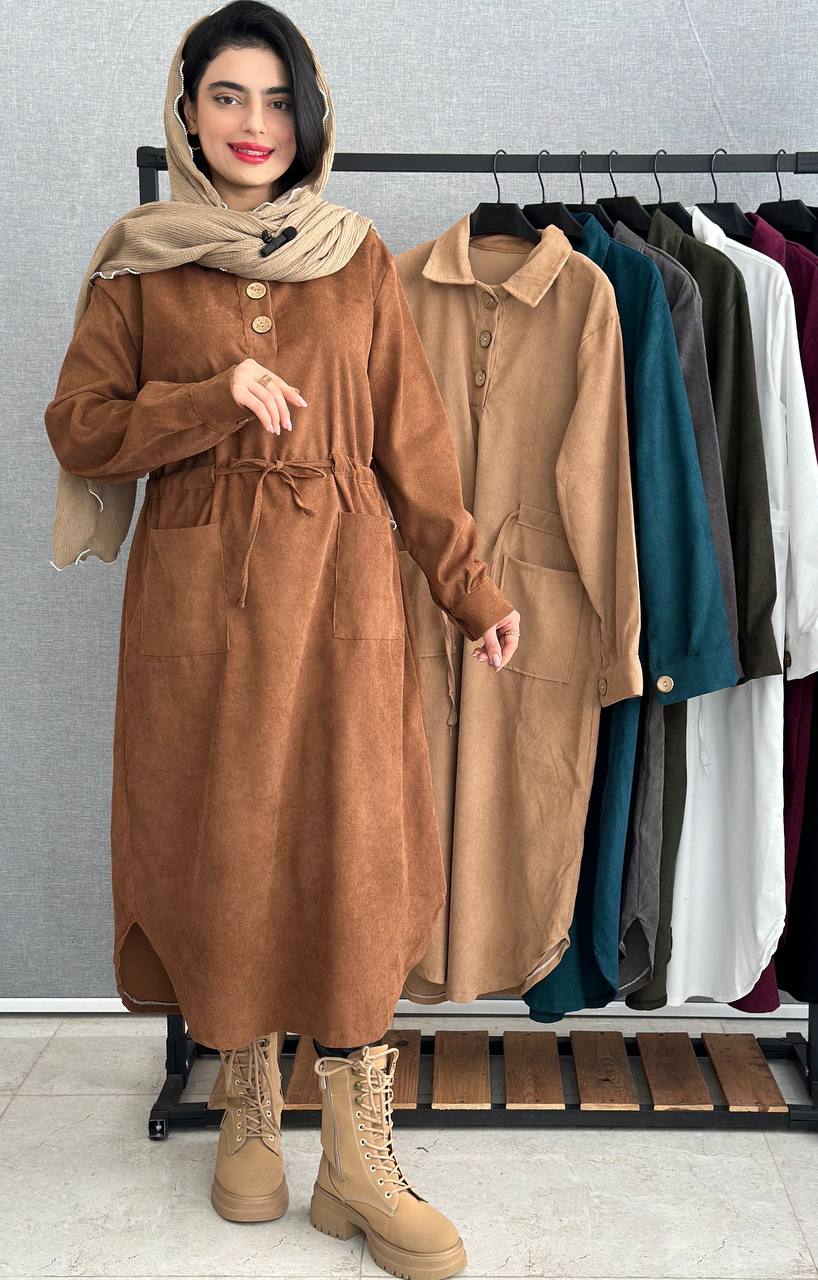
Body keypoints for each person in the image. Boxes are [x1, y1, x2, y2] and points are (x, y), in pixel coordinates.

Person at [43, 4, 520, 1277]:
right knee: (231, 837)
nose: (253, 125)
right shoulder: (139, 263)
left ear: (309, 119)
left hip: (346, 599)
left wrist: (471, 588)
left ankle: (358, 1156)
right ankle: (248, 1100)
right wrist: (210, 400)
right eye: (227, 97)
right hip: (198, 607)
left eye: (275, 100)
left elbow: (412, 441)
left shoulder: (356, 259)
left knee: (356, 841)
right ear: (186, 110)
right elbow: (78, 426)